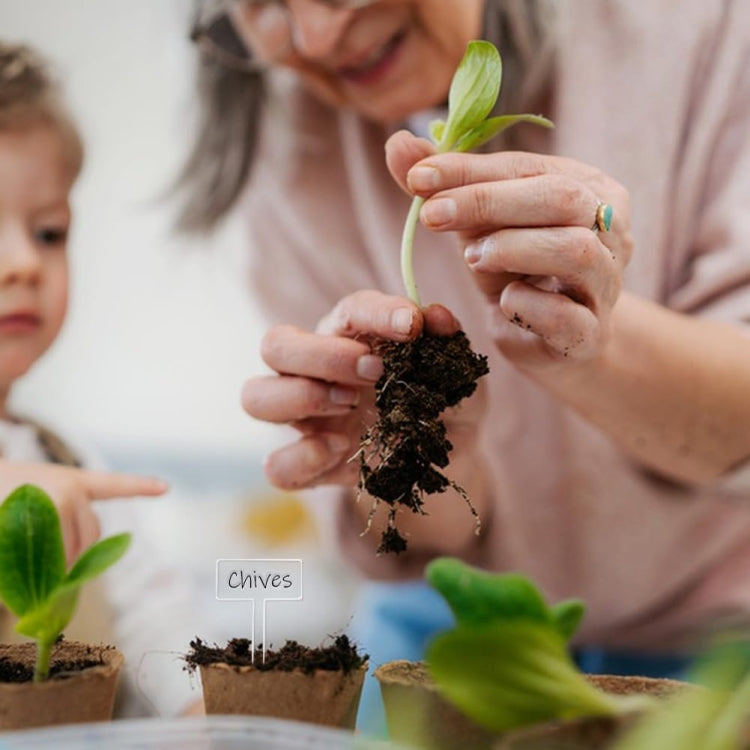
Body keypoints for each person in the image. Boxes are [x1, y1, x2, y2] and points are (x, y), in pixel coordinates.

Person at [177, 0, 750, 734]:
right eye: (262, 5)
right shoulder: (287, 142)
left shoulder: (697, 25)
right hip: (447, 641)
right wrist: (405, 456)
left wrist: (588, 335)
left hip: (709, 642)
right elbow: (424, 535)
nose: (318, 37)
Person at [0, 41, 204, 717]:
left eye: (49, 232)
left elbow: (161, 630)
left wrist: (204, 715)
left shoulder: (75, 466)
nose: (24, 262)